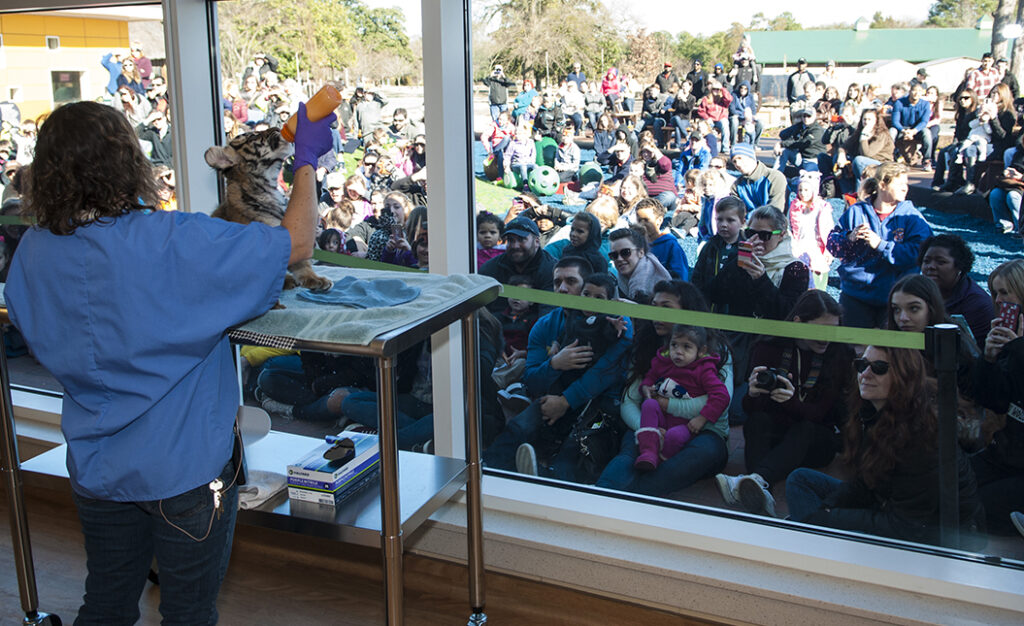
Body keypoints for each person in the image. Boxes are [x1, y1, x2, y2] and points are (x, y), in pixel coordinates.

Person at [3, 100, 333, 623]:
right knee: (188, 612)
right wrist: (308, 162)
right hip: (184, 470)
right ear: (128, 162)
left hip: (96, 464)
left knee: (106, 602)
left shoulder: (34, 253)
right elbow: (294, 244)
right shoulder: (174, 240)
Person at [787, 345, 985, 547]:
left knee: (817, 521)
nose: (865, 374)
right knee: (801, 480)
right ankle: (813, 536)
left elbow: (906, 527)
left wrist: (830, 518)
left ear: (904, 375)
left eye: (879, 368)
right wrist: (827, 509)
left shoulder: (922, 434)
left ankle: (811, 539)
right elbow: (866, 482)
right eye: (861, 364)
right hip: (888, 502)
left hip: (938, 536)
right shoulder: (872, 413)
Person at [482, 257, 632, 473]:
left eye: (571, 281)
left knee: (574, 454)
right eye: (556, 282)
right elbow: (531, 380)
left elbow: (605, 373)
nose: (562, 289)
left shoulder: (615, 323)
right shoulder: (544, 325)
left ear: (586, 285)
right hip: (554, 397)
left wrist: (565, 401)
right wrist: (555, 364)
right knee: (518, 427)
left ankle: (543, 477)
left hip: (602, 404)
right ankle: (485, 468)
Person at [716, 290, 852, 517]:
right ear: (798, 322)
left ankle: (756, 481)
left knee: (805, 429)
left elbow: (819, 414)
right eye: (820, 329)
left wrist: (791, 402)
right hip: (776, 434)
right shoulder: (769, 347)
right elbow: (750, 410)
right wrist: (752, 394)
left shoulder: (838, 354)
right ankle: (760, 488)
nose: (826, 338)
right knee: (757, 422)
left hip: (815, 440)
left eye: (834, 330)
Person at [596, 280, 732, 497]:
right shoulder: (649, 346)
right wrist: (650, 431)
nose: (656, 313)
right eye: (654, 305)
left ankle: (626, 503)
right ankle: (598, 499)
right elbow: (629, 401)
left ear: (687, 311)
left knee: (691, 458)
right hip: (653, 424)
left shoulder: (714, 349)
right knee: (630, 455)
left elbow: (720, 401)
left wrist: (668, 406)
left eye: (666, 307)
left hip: (703, 431)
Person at [827, 162, 933, 329]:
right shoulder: (857, 212)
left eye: (906, 184)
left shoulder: (911, 217)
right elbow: (832, 244)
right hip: (856, 295)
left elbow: (920, 253)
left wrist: (881, 245)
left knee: (892, 351)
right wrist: (849, 237)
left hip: (896, 300)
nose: (905, 188)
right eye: (900, 184)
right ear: (882, 185)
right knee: (852, 349)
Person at [971, 259, 1024, 535]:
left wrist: (1017, 349)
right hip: (1006, 453)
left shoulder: (1017, 344)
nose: (999, 301)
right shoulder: (1009, 337)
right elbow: (995, 401)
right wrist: (989, 360)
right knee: (953, 484)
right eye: (995, 293)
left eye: (1005, 292)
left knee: (982, 504)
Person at [635, 324, 730, 471]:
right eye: (674, 345)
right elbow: (649, 378)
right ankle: (648, 453)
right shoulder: (662, 362)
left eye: (686, 347)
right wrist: (646, 389)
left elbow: (721, 395)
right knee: (648, 405)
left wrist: (702, 418)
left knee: (674, 437)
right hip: (662, 417)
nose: (678, 352)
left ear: (701, 351)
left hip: (686, 424)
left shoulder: (703, 369)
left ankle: (662, 461)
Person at [917, 234, 994, 350]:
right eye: (926, 261)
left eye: (941, 262)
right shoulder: (917, 293)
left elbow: (973, 353)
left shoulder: (977, 304)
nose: (931, 267)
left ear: (959, 266)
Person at [480, 215, 558, 310]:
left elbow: (548, 312)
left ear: (537, 242)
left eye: (521, 239)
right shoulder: (491, 268)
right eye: (510, 240)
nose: (515, 246)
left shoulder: (551, 269)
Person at [788, 170, 835, 290]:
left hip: (816, 247)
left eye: (806, 190)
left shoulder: (821, 207)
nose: (803, 193)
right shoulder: (794, 207)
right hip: (799, 246)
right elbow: (790, 227)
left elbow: (828, 230)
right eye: (800, 190)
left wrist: (828, 251)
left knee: (817, 277)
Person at [632, 197, 690, 280]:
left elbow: (680, 277)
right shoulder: (636, 244)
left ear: (659, 220)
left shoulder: (670, 245)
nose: (642, 224)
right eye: (639, 220)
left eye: (646, 220)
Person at [608, 226, 671, 302]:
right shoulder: (618, 282)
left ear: (641, 252)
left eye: (626, 252)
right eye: (614, 255)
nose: (619, 259)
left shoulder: (661, 285)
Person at [835, 107, 894, 183]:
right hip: (865, 161)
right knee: (836, 157)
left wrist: (863, 137)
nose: (866, 122)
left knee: (859, 160)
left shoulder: (881, 134)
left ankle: (861, 192)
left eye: (870, 119)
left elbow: (867, 154)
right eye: (864, 119)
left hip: (881, 164)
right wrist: (842, 155)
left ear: (876, 121)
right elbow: (844, 146)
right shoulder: (859, 131)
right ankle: (846, 191)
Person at [730, 143, 786, 212]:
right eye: (734, 161)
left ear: (752, 157)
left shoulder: (774, 177)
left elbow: (775, 211)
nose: (737, 164)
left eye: (740, 158)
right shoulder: (736, 186)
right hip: (746, 222)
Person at [637, 141, 678, 212]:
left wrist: (654, 150)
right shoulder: (640, 165)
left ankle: (650, 210)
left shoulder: (664, 162)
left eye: (649, 151)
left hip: (664, 198)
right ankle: (653, 210)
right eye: (644, 152)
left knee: (669, 196)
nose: (646, 154)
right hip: (646, 198)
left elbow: (665, 165)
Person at [728, 81, 761, 147]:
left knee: (761, 123)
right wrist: (741, 115)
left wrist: (753, 116)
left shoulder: (750, 96)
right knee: (734, 121)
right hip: (737, 116)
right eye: (741, 88)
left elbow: (753, 109)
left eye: (745, 89)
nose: (743, 90)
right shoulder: (734, 95)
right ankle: (733, 144)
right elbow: (732, 108)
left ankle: (755, 144)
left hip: (748, 117)